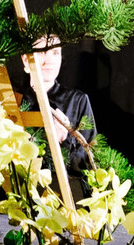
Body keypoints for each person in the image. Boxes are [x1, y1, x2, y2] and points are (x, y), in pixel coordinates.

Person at [18, 36, 96, 187]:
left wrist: (65, 139)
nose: (50, 60)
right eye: (42, 52)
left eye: (55, 53)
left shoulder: (77, 100)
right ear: (26, 60)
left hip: (62, 195)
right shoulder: (13, 99)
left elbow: (89, 164)